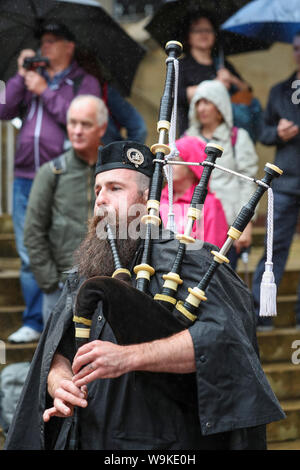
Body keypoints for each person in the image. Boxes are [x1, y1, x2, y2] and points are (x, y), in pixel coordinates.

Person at [4, 140, 284, 451]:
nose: (101, 200)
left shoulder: (192, 261)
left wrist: (128, 357)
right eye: (97, 190)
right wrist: (59, 380)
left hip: (161, 443)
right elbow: (58, 347)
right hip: (88, 435)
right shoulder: (86, 268)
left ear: (147, 198)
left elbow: (224, 340)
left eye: (114, 188)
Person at [0, 22, 146, 343]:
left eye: (51, 41)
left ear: (68, 46)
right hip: (28, 173)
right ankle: (36, 317)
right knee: (29, 248)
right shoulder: (31, 75)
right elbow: (4, 108)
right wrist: (19, 75)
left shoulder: (82, 81)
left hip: (66, 167)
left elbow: (80, 114)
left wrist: (44, 91)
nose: (44, 48)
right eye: (42, 42)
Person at [23, 95, 108, 326]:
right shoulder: (52, 173)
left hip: (107, 286)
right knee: (57, 358)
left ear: (102, 128)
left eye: (86, 124)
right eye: (73, 123)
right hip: (61, 288)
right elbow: (33, 232)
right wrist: (51, 283)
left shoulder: (114, 173)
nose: (77, 130)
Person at [252, 32, 300, 330]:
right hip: (284, 181)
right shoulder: (280, 90)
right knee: (273, 250)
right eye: (296, 49)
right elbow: (264, 132)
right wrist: (277, 133)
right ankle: (261, 316)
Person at [185, 79, 259, 270]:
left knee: (222, 285)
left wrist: (245, 225)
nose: (201, 108)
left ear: (220, 106)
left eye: (207, 102)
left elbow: (247, 183)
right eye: (198, 103)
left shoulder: (237, 137)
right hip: (194, 226)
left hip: (227, 228)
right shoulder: (187, 140)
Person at [177, 15, 251, 137]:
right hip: (193, 136)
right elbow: (177, 95)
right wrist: (216, 86)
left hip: (224, 136)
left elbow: (247, 93)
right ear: (188, 37)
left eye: (208, 30)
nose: (203, 34)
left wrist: (233, 79)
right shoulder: (181, 65)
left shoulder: (222, 64)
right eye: (197, 30)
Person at [160, 135, 228, 247]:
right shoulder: (158, 197)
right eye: (166, 160)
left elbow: (209, 253)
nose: (168, 165)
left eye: (175, 160)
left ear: (192, 166)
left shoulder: (209, 204)